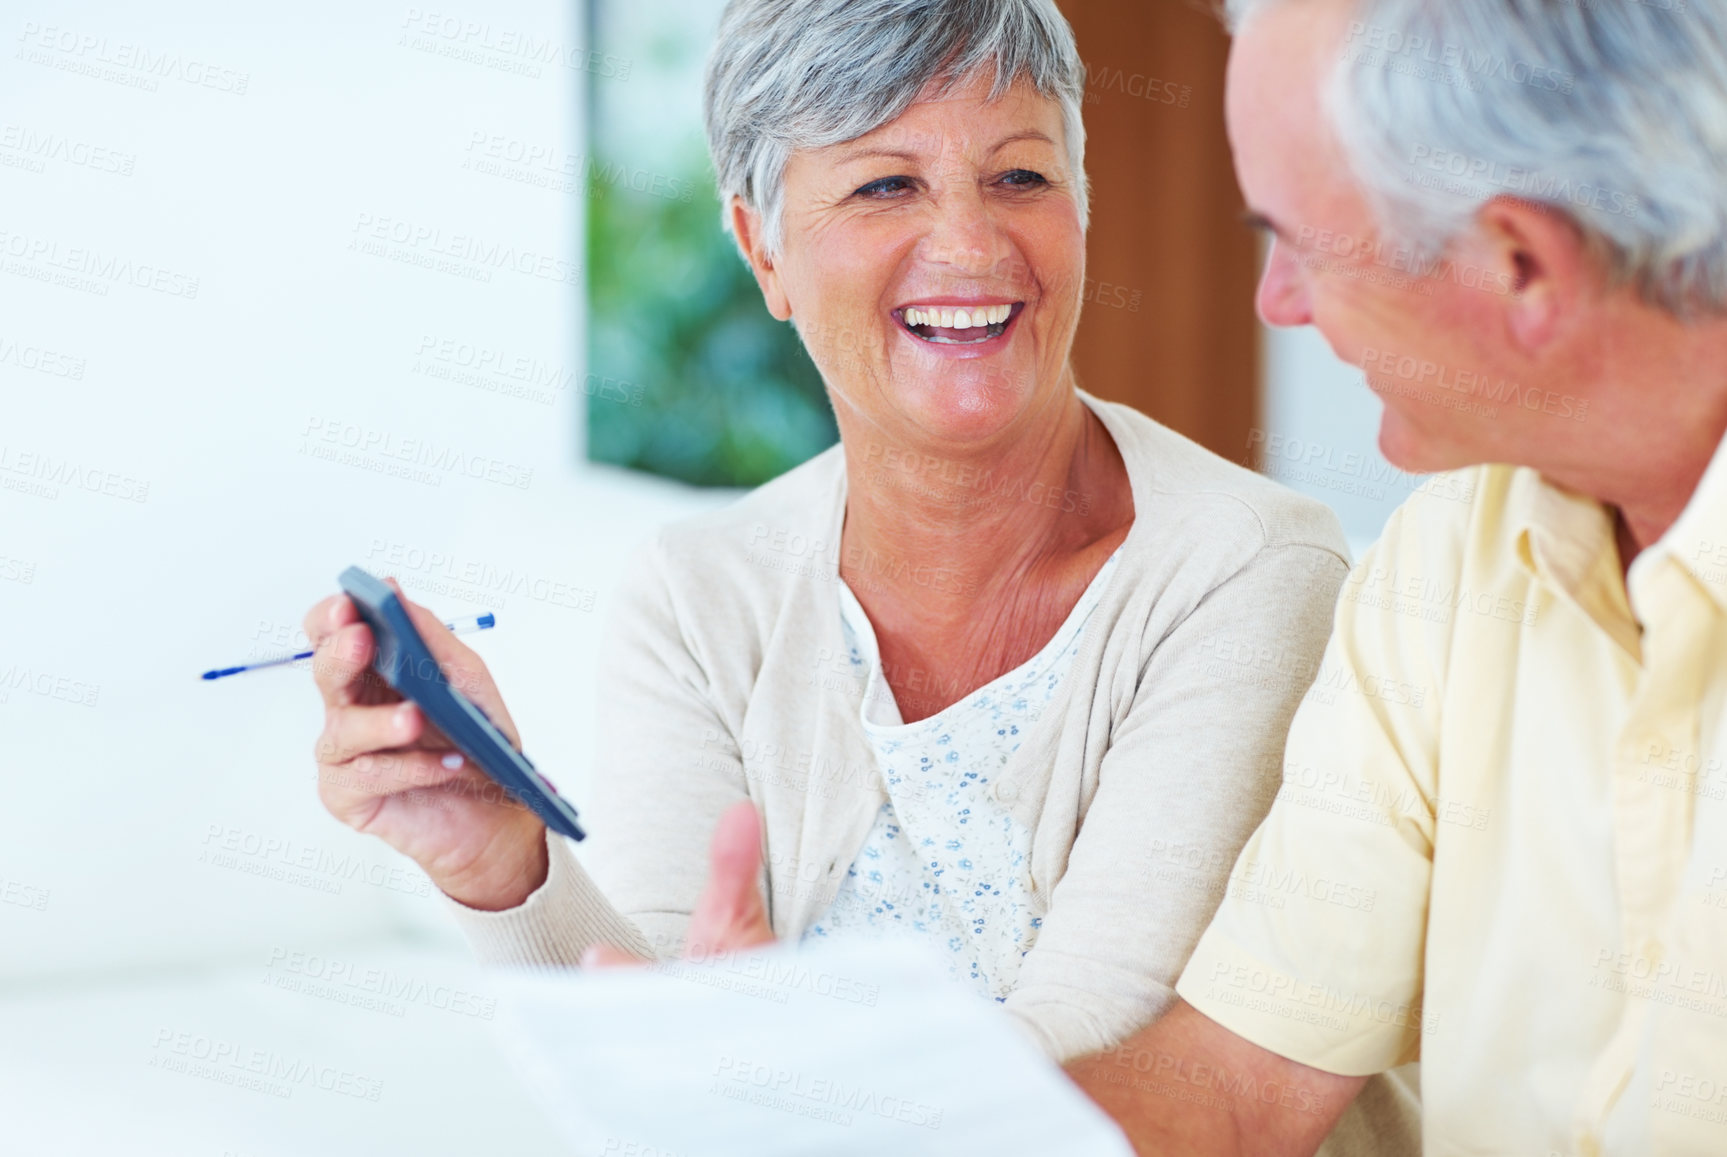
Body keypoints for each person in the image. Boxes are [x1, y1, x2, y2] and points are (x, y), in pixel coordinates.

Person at [303, 0, 1413, 1150]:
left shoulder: (1246, 569)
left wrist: (765, 1074)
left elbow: (1099, 1044)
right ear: (763, 248)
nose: (971, 245)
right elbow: (656, 1036)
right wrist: (504, 861)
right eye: (885, 186)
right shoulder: (697, 595)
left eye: (1020, 177)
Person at [1054, 0, 1727, 1153]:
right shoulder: (1440, 566)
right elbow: (1236, 1084)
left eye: (1301, 242)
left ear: (1519, 264)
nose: (1278, 300)